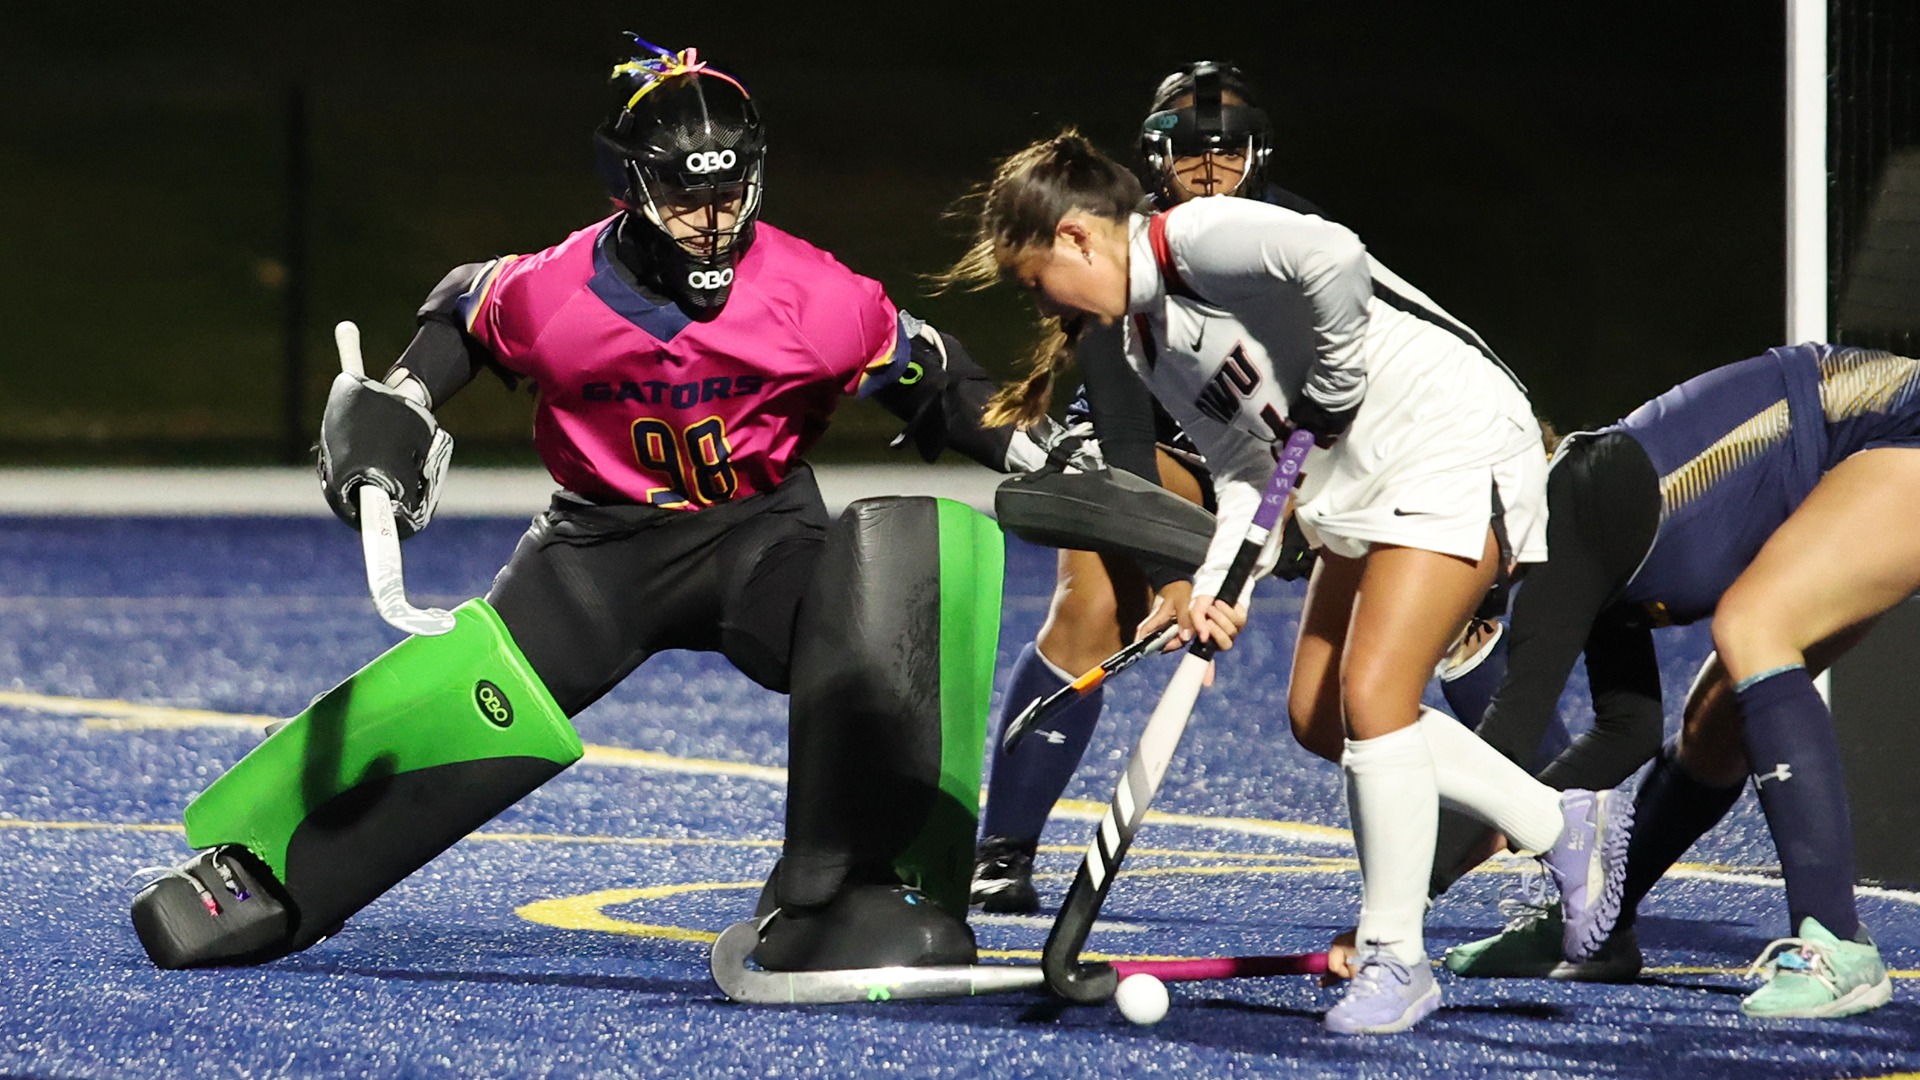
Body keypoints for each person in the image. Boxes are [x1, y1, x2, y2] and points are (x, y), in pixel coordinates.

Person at [128, 38, 1058, 976]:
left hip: (762, 536)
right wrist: (405, 395)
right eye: (686, 196)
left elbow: (935, 380)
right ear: (629, 186)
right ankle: (266, 872)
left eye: (730, 193)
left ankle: (844, 896)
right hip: (600, 552)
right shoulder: (558, 294)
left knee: (880, 609)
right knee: (477, 700)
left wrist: (1039, 450)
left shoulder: (815, 295)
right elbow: (464, 310)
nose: (713, 221)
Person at [938, 131, 1632, 1035]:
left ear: (1075, 236)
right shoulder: (1148, 341)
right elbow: (1244, 469)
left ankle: (1396, 957)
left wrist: (1335, 374)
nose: (1042, 304)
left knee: (1375, 697)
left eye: (1036, 281)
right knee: (1320, 715)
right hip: (1357, 473)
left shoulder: (1196, 235)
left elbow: (1334, 256)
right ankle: (1560, 822)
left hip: (1445, 432)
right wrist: (1217, 584)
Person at [1438, 343, 1906, 1019]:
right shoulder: (1585, 531)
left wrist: (1399, 904)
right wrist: (1548, 838)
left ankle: (1837, 943)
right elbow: (1626, 732)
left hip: (1895, 429)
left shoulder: (1574, 506)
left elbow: (1512, 730)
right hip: (1852, 458)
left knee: (1753, 626)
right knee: (1714, 722)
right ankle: (1600, 927)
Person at [971, 60, 1331, 915]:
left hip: (1290, 450)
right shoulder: (1119, 248)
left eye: (1226, 151)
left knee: (1439, 607)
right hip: (1164, 444)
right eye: (1188, 152)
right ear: (1153, 158)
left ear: (1258, 154)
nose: (1207, 170)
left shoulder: (1305, 240)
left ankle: (1556, 810)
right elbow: (1128, 427)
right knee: (1094, 601)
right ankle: (1005, 847)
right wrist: (1172, 576)